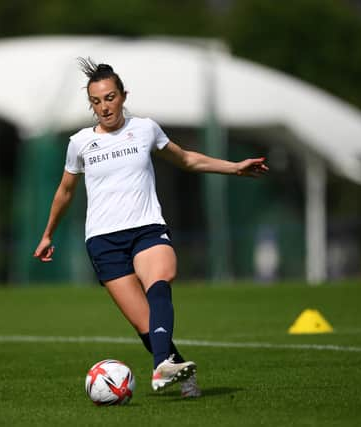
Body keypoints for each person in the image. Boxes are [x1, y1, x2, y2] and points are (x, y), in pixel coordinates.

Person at [33, 58, 268, 398]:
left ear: (123, 96)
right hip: (103, 242)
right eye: (96, 101)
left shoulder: (145, 129)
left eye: (110, 98)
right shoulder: (80, 142)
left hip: (146, 229)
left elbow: (187, 159)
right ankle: (177, 369)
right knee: (146, 325)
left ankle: (161, 367)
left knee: (160, 281)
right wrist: (47, 234)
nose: (104, 107)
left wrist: (235, 168)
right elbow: (65, 191)